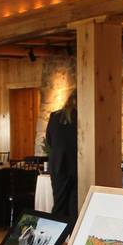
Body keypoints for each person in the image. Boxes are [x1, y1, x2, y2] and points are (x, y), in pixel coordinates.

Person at [45, 91, 78, 221]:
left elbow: (49, 140)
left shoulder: (54, 116)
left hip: (58, 165)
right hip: (76, 165)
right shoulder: (81, 116)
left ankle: (56, 239)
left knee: (59, 206)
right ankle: (72, 238)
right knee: (74, 207)